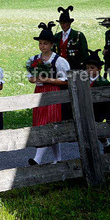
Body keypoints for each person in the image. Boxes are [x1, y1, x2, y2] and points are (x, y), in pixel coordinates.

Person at [28, 21, 70, 165]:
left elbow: (65, 81)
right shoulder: (34, 59)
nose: (42, 46)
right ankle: (58, 159)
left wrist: (48, 79)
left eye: (45, 43)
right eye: (40, 43)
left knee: (49, 123)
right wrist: (36, 79)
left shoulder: (59, 61)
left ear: (51, 44)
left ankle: (37, 159)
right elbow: (30, 78)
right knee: (42, 124)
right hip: (39, 92)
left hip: (53, 93)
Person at [85, 50, 110, 154]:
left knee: (95, 130)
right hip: (86, 109)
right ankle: (105, 146)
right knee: (89, 131)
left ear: (99, 69)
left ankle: (105, 146)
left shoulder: (103, 83)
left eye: (92, 68)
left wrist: (109, 117)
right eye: (88, 67)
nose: (89, 70)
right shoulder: (83, 81)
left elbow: (108, 101)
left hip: (99, 111)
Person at [54, 6, 89, 70]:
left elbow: (84, 53)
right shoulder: (57, 36)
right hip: (59, 67)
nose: (63, 25)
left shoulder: (78, 35)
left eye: (65, 23)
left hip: (74, 67)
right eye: (61, 23)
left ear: (69, 23)